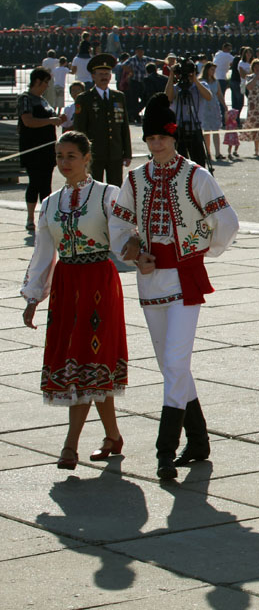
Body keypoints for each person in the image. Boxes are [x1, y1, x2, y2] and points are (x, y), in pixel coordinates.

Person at [111, 93, 240, 481]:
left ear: (173, 136)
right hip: (150, 281)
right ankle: (198, 441)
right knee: (172, 366)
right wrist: (134, 252)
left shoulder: (196, 175)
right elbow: (119, 225)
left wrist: (201, 250)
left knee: (175, 362)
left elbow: (227, 221)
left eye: (161, 138)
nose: (156, 145)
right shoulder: (135, 178)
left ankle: (164, 450)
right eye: (150, 139)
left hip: (185, 279)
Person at [21, 131, 129, 470]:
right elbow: (43, 254)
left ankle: (70, 445)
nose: (64, 162)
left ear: (87, 158)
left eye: (71, 156)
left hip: (98, 281)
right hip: (67, 286)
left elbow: (126, 238)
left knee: (89, 358)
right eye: (59, 156)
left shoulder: (107, 196)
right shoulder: (51, 203)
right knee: (85, 362)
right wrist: (33, 296)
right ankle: (112, 435)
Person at [72, 54, 132, 186]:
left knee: (115, 188)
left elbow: (123, 126)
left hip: (115, 152)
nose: (104, 77)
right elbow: (80, 129)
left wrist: (127, 152)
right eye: (100, 74)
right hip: (94, 154)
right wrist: (82, 154)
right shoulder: (84, 98)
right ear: (93, 76)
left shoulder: (118, 97)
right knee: (94, 188)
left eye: (107, 73)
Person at [18, 67, 65, 231]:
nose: (47, 86)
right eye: (45, 82)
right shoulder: (26, 98)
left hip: (47, 149)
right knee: (35, 182)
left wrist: (58, 120)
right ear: (37, 82)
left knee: (46, 183)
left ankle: (46, 217)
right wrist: (50, 121)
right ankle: (30, 217)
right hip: (33, 148)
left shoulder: (44, 100)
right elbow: (28, 121)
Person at [164, 58, 213, 169]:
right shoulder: (177, 88)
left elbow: (208, 96)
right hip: (179, 129)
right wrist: (171, 76)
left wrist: (195, 79)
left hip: (195, 128)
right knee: (179, 165)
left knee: (199, 163)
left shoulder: (201, 85)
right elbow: (167, 98)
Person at [198, 62, 226, 163]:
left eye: (214, 70)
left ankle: (218, 152)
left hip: (214, 106)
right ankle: (208, 152)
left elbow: (219, 93)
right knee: (206, 132)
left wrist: (224, 105)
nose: (213, 72)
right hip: (205, 107)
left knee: (216, 130)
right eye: (211, 69)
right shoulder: (201, 81)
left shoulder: (215, 81)